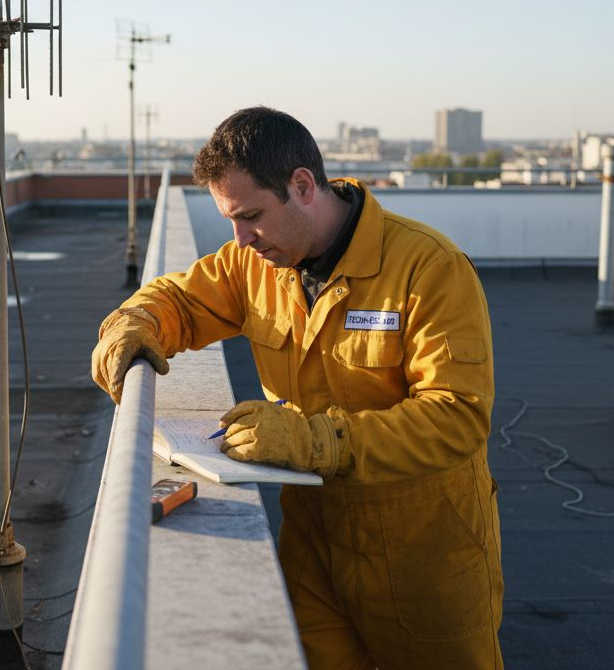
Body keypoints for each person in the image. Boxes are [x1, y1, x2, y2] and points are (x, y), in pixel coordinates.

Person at [91, 106, 503, 669]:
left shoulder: (428, 269)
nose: (240, 239)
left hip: (423, 550)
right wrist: (130, 328)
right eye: (231, 221)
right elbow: (179, 301)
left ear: (303, 185)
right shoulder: (256, 263)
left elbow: (457, 418)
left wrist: (316, 442)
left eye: (251, 216)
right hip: (312, 540)